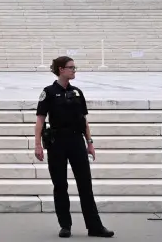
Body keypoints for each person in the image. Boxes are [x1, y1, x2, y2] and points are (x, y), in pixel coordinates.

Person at [35, 56, 114, 238]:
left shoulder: (77, 92)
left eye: (74, 67)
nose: (74, 70)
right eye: (71, 67)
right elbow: (40, 120)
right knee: (60, 184)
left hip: (76, 141)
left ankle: (95, 226)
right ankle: (65, 225)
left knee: (85, 184)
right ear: (61, 69)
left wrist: (90, 143)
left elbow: (84, 120)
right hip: (57, 143)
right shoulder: (48, 92)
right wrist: (38, 144)